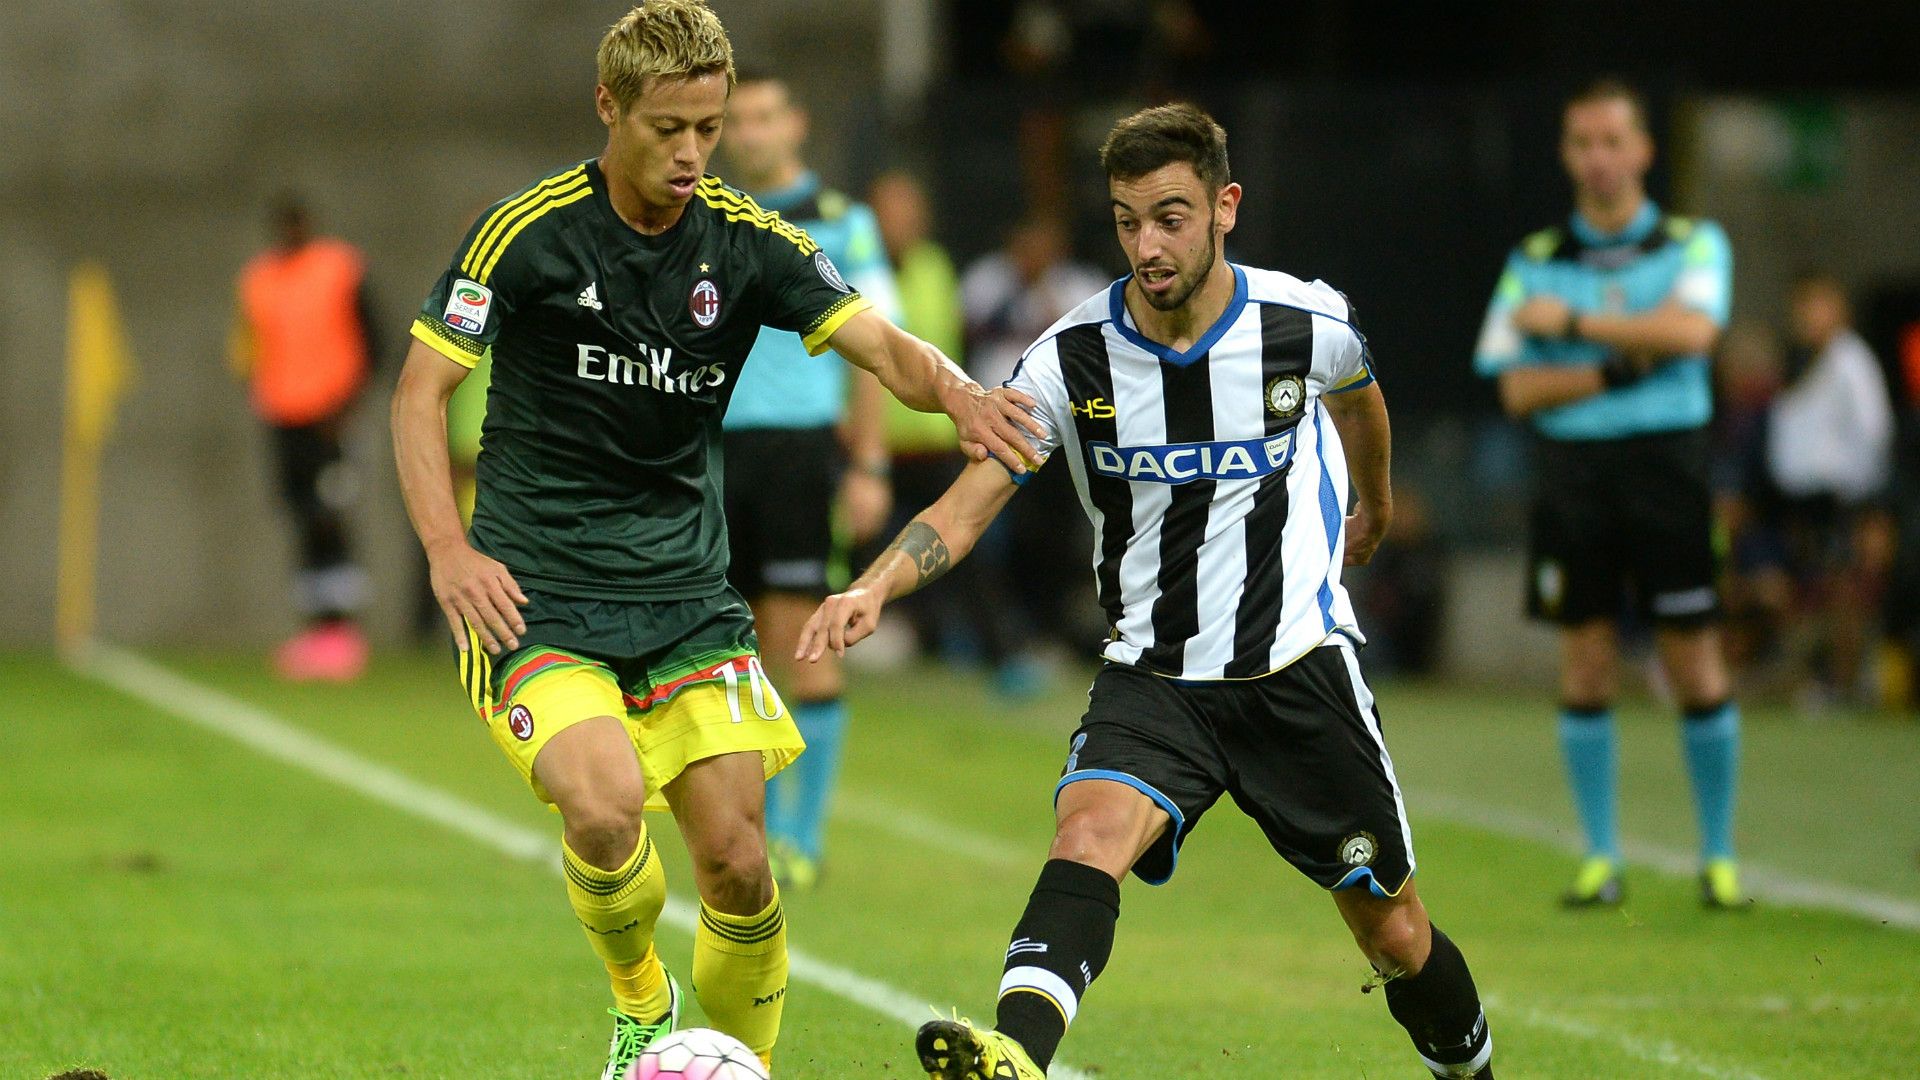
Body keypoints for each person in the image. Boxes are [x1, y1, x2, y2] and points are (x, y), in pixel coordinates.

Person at [387, 4, 1041, 1076]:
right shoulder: (528, 233)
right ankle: (642, 1004)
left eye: (710, 126)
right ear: (609, 107)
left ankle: (743, 1067)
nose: (693, 152)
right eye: (668, 128)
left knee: (738, 860)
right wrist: (449, 552)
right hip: (539, 590)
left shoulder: (746, 241)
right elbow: (420, 395)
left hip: (688, 595)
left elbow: (878, 340)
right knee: (600, 812)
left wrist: (962, 395)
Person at [802, 103, 1496, 1080]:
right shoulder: (1070, 360)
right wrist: (874, 585)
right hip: (1154, 676)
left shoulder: (1306, 323)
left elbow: (1360, 396)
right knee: (1085, 834)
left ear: (1226, 207)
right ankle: (1017, 1058)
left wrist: (1373, 509)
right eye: (1129, 221)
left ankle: (1471, 1073)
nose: (1148, 244)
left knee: (1394, 935)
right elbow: (969, 504)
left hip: (1295, 670)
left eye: (1171, 217)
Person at [1473, 78, 1741, 908]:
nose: (1598, 157)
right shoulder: (1537, 261)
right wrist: (1630, 360)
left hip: (1669, 468)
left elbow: (1696, 333)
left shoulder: (1693, 243)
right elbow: (1515, 390)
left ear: (1644, 150)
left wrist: (1576, 330)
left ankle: (1719, 860)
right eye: (1582, 142)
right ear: (1565, 154)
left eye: (1612, 141)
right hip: (1575, 477)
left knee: (1692, 656)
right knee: (1586, 661)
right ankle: (1600, 859)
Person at [717, 70, 900, 890]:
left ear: (795, 123)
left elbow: (876, 351)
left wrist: (867, 463)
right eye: (737, 121)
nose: (751, 133)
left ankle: (801, 836)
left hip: (798, 454)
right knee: (729, 647)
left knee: (804, 638)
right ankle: (751, 830)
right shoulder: (706, 218)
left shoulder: (841, 225)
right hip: (711, 453)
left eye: (764, 116)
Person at [230, 194, 376, 681]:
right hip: (282, 417)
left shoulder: (340, 268)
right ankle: (317, 630)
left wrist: (347, 405)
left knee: (329, 516)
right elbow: (250, 346)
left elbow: (373, 338)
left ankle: (343, 633)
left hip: (329, 417)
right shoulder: (258, 278)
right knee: (299, 518)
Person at [1765, 273, 1897, 702]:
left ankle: (1846, 684)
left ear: (1839, 310)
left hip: (1846, 498)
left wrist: (1870, 505)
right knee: (1821, 592)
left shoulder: (1851, 361)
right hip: (1811, 502)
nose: (1807, 316)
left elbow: (1874, 431)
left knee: (1846, 593)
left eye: (1817, 305)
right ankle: (1827, 679)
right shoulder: (1807, 361)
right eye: (1801, 307)